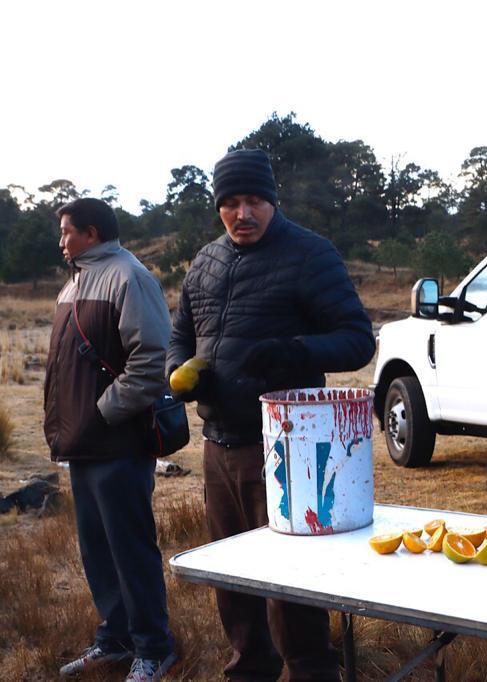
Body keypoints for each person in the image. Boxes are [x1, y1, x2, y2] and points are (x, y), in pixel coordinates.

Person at [168, 149, 375, 681]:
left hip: (288, 447)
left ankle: (311, 671)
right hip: (218, 445)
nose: (243, 214)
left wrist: (295, 351)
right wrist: (181, 371)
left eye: (255, 201)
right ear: (218, 206)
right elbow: (180, 335)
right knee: (232, 574)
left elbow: (357, 339)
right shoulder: (206, 262)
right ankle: (249, 669)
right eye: (232, 203)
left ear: (273, 201)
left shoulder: (309, 254)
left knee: (290, 579)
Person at [45, 198, 177, 681]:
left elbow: (152, 361)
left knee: (130, 549)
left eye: (67, 231)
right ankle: (116, 641)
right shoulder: (74, 283)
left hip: (118, 442)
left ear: (92, 233)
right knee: (97, 550)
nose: (61, 241)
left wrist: (102, 415)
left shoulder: (129, 277)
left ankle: (154, 648)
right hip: (83, 443)